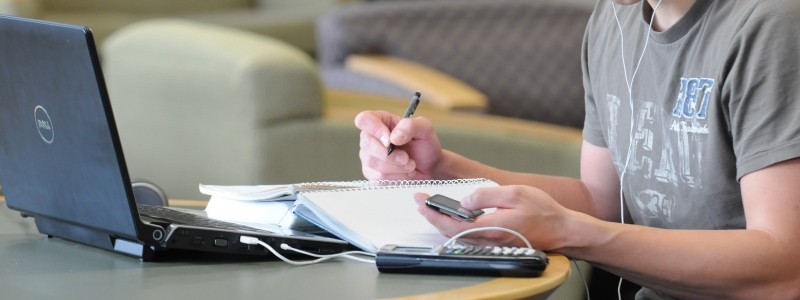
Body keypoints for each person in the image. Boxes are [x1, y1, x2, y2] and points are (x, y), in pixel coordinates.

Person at [354, 0, 800, 298]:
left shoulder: (770, 26)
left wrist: (570, 232)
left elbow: (785, 267)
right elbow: (603, 202)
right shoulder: (612, 21)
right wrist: (442, 169)